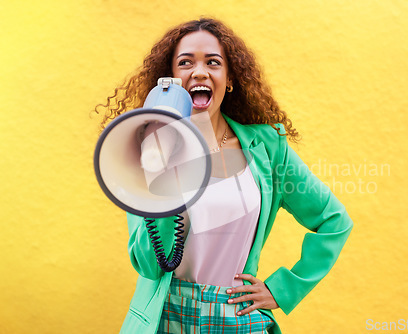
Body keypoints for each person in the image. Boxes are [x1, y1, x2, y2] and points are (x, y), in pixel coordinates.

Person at [95, 17, 353, 334]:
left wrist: (282, 289)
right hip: (166, 318)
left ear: (229, 78)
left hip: (236, 319)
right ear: (172, 79)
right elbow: (148, 263)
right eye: (185, 62)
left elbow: (334, 220)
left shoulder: (269, 148)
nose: (199, 71)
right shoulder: (146, 149)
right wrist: (164, 165)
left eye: (213, 63)